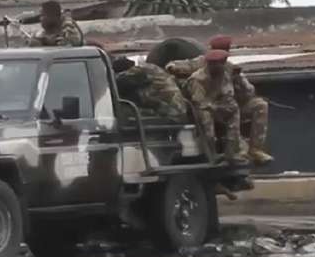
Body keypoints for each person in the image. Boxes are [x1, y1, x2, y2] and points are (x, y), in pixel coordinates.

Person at [169, 36, 272, 165]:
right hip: (208, 106)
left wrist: (238, 80)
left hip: (228, 104)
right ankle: (214, 152)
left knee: (260, 105)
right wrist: (173, 69)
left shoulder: (230, 69)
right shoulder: (200, 67)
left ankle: (255, 149)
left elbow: (248, 93)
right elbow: (199, 101)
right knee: (207, 114)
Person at [187, 49, 248, 166]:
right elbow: (199, 102)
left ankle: (231, 152)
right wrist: (216, 107)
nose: (217, 67)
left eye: (220, 64)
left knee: (234, 108)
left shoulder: (225, 74)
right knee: (205, 117)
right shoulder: (198, 79)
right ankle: (211, 154)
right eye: (213, 64)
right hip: (200, 109)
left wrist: (239, 80)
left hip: (216, 106)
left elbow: (228, 94)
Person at [112, 56, 188, 122]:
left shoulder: (140, 70)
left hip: (169, 114)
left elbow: (115, 82)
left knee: (121, 112)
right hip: (176, 112)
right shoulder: (151, 68)